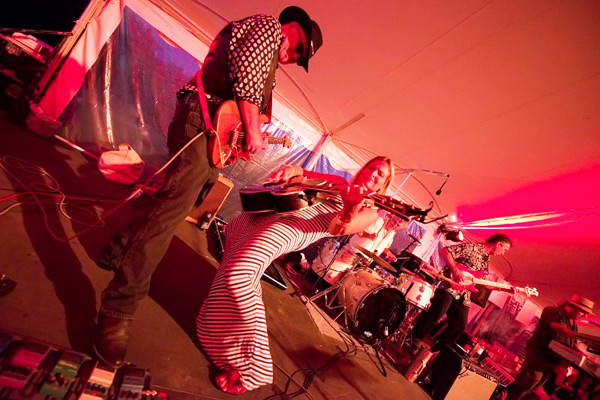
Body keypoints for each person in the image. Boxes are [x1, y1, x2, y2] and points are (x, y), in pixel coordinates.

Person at [93, 6, 324, 367]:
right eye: (298, 50)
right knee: (170, 211)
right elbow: (246, 86)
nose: (293, 59)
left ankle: (117, 250)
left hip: (212, 133)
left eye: (299, 58)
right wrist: (254, 131)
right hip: (199, 122)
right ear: (293, 26)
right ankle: (118, 309)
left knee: (187, 198)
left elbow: (252, 105)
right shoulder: (267, 27)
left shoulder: (272, 67)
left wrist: (246, 135)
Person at [196, 156, 396, 394]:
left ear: (384, 185)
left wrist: (350, 207)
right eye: (372, 167)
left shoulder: (371, 212)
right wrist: (289, 171)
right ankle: (215, 324)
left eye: (380, 174)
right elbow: (301, 173)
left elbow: (337, 228)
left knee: (240, 273)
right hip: (273, 212)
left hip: (292, 229)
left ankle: (252, 366)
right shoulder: (339, 182)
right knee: (235, 234)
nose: (373, 173)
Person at [411, 233, 514, 350]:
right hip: (451, 284)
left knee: (460, 324)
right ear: (498, 244)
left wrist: (505, 289)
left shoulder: (486, 261)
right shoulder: (473, 247)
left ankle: (436, 349)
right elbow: (445, 251)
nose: (503, 253)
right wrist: (456, 271)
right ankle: (416, 336)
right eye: (504, 249)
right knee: (438, 310)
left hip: (464, 293)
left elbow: (484, 283)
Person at [505, 295, 594, 400]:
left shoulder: (574, 325)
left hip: (552, 359)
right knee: (530, 380)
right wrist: (571, 333)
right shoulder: (553, 311)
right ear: (572, 307)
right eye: (583, 312)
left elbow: (572, 343)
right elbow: (553, 325)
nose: (585, 316)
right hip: (540, 353)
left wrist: (583, 354)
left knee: (536, 384)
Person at [310, 210, 405, 285]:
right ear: (390, 217)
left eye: (397, 225)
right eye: (394, 221)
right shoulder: (377, 221)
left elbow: (384, 246)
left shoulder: (391, 234)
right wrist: (368, 235)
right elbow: (359, 231)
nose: (394, 225)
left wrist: (389, 254)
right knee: (328, 278)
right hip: (352, 252)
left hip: (364, 262)